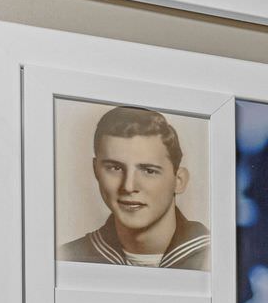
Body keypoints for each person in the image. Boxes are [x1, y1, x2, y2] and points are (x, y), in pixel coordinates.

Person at [57, 105, 210, 270]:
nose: (128, 186)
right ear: (96, 170)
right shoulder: (66, 258)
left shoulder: (217, 256)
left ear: (179, 181)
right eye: (115, 168)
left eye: (148, 171)